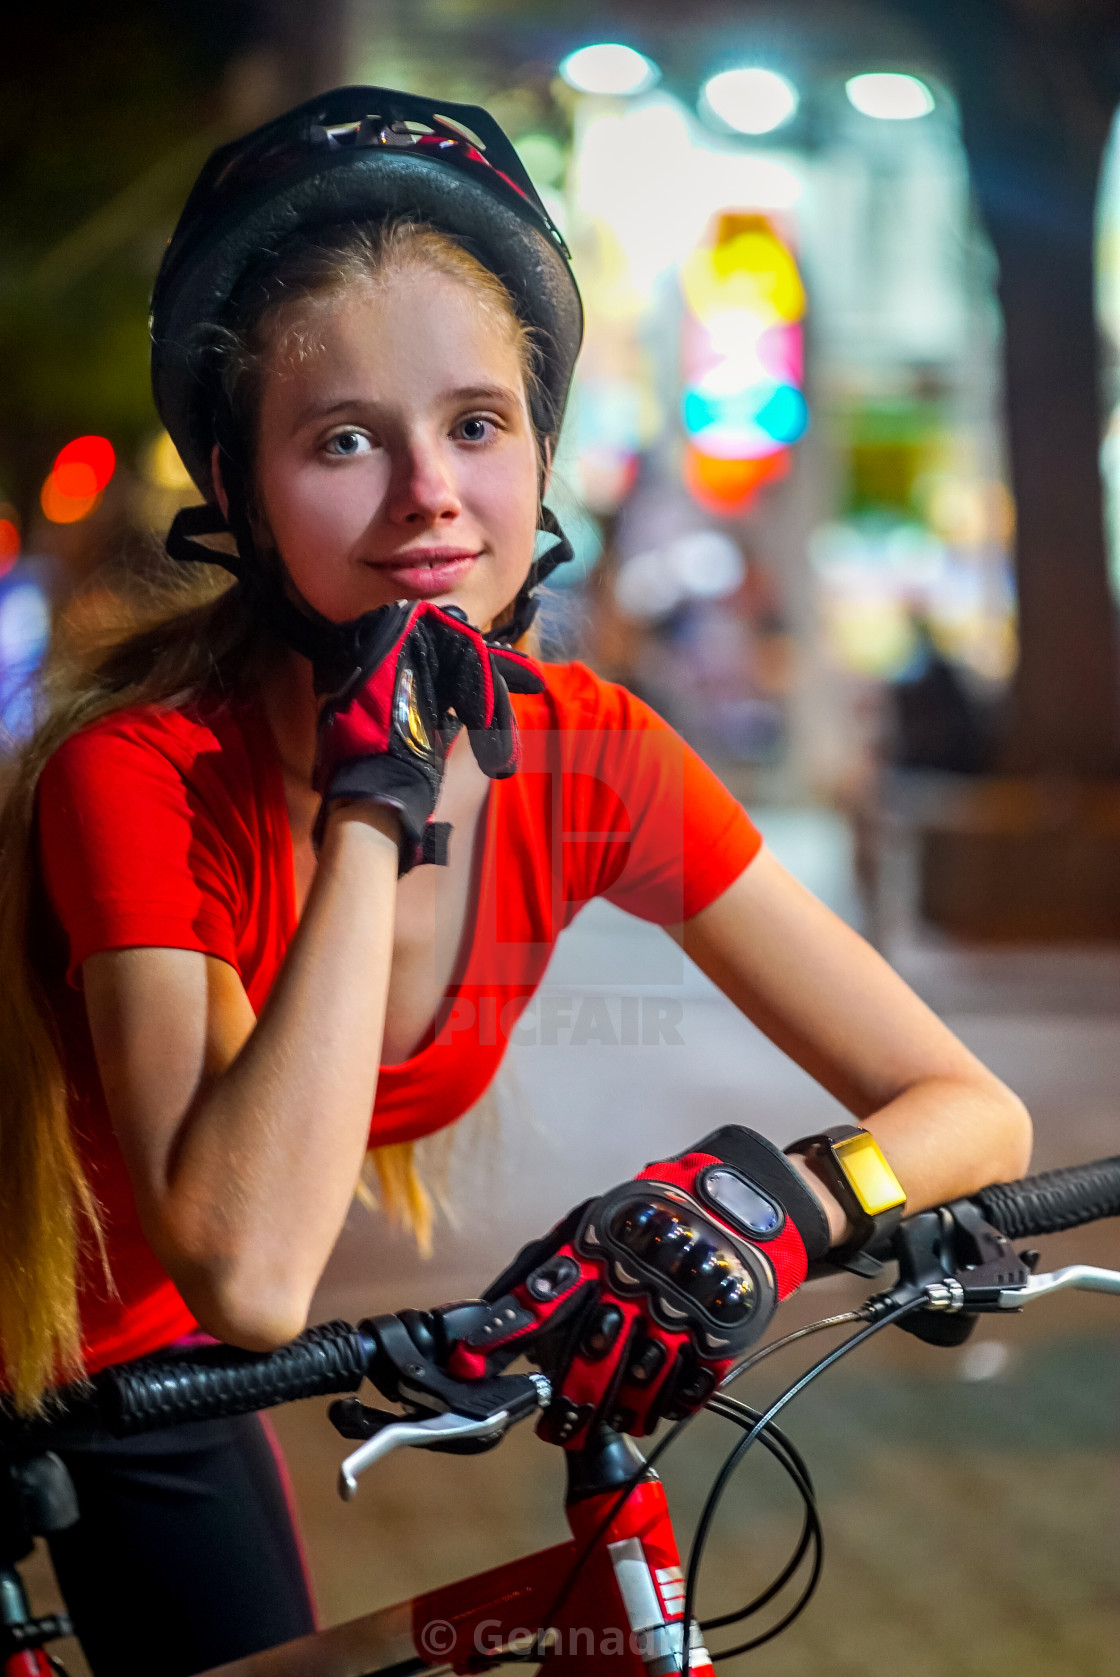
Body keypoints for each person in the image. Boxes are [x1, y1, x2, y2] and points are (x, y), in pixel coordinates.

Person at [0, 87, 1031, 1675]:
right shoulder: (137, 777)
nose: (429, 493)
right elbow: (254, 1266)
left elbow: (970, 1108)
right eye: (345, 438)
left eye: (477, 424)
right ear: (243, 486)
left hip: (149, 1370)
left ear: (540, 448)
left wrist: (780, 1201)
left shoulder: (591, 753)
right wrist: (375, 804)